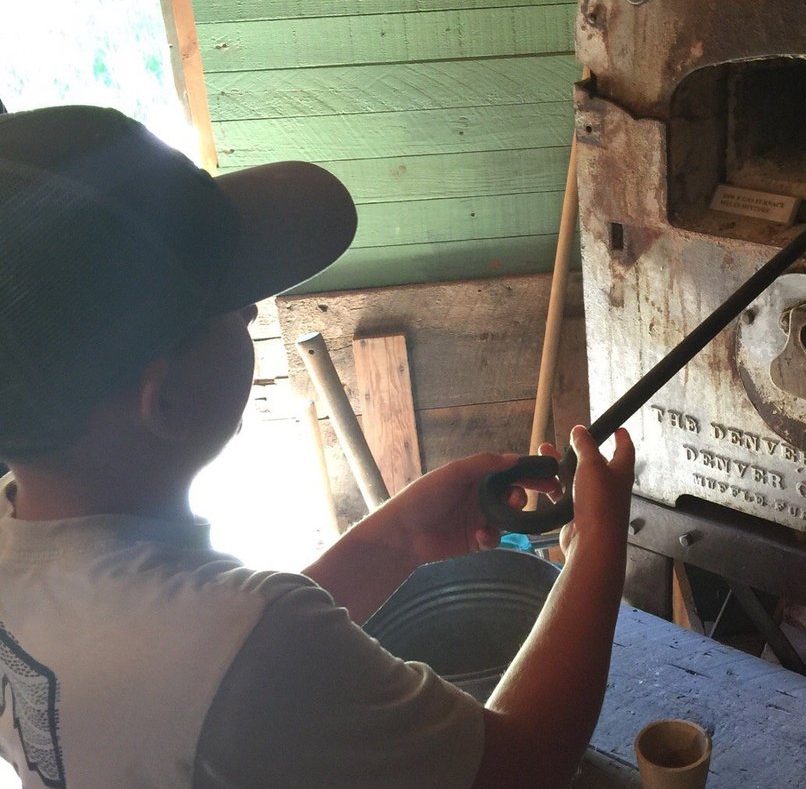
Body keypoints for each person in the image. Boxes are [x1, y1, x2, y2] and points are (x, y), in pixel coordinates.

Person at [0, 105, 636, 788]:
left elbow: (227, 678)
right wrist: (598, 545)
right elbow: (523, 766)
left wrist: (395, 543)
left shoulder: (25, 557)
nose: (252, 310)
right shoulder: (243, 642)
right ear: (167, 402)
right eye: (236, 308)